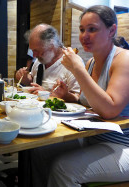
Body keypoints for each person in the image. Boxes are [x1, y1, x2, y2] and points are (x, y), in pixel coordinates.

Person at [30, 5, 129, 186]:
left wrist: (77, 69)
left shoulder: (124, 60)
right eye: (82, 29)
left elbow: (109, 110)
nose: (84, 36)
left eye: (92, 29)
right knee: (38, 151)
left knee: (63, 168)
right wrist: (67, 96)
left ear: (111, 30)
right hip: (93, 138)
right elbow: (85, 101)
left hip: (123, 145)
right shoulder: (91, 62)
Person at [14, 23, 80, 102]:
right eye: (32, 51)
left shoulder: (72, 62)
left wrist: (48, 94)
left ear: (51, 46)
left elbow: (78, 99)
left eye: (37, 51)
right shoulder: (40, 60)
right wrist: (25, 78)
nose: (34, 55)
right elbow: (33, 80)